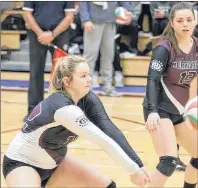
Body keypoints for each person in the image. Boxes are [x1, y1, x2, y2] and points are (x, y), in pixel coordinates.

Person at [3, 56, 150, 188]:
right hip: (22, 163)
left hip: (55, 163)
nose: (89, 79)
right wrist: (133, 171)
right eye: (83, 76)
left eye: (89, 75)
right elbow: (102, 140)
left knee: (106, 186)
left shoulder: (88, 99)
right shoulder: (63, 107)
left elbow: (110, 130)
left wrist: (137, 164)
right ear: (67, 81)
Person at [143, 2, 198, 188]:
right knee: (169, 161)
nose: (185, 24)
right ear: (172, 23)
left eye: (189, 20)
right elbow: (152, 80)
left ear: (195, 21)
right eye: (180, 20)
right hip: (159, 109)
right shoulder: (163, 48)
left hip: (181, 111)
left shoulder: (197, 46)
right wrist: (152, 111)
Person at [23, 2, 75, 121]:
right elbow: (27, 14)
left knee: (62, 75)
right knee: (35, 72)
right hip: (37, 34)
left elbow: (69, 16)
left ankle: (62, 111)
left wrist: (53, 34)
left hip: (60, 34)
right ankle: (34, 112)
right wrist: (41, 34)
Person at [79, 2, 132, 96]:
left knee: (109, 55)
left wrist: (129, 11)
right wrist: (85, 19)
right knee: (90, 56)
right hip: (93, 21)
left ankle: (108, 86)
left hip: (110, 21)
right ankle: (86, 88)